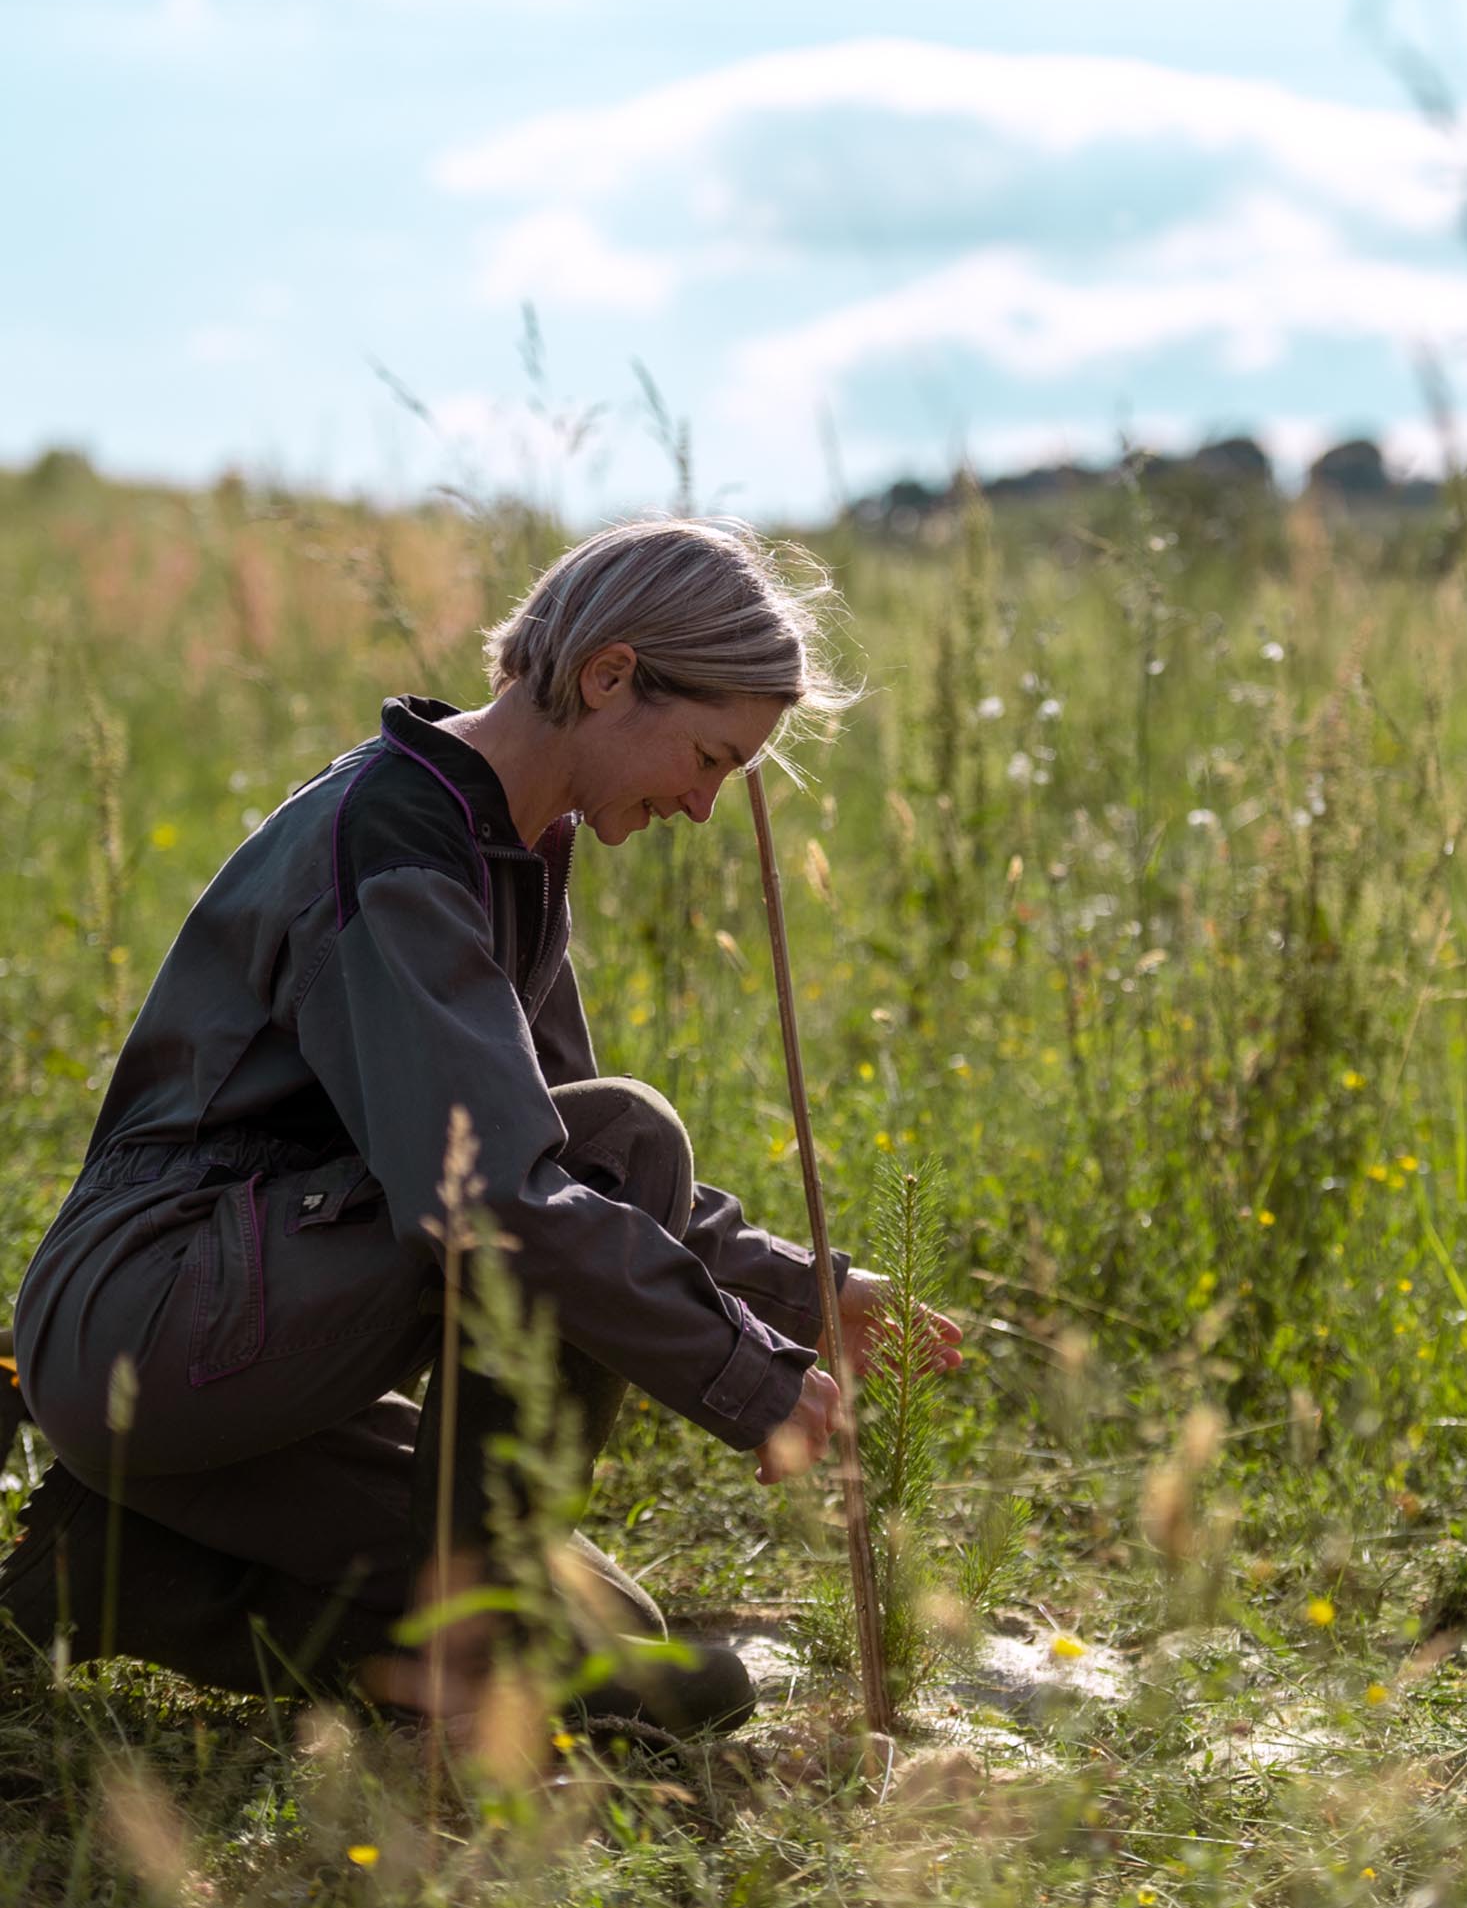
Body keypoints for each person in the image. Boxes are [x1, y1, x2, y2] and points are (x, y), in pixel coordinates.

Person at [0, 516, 961, 1734]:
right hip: (152, 1314)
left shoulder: (500, 846)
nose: (708, 807)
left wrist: (804, 1290)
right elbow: (507, 1198)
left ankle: (110, 1567)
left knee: (620, 1627)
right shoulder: (395, 840)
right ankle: (492, 1650)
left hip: (237, 1324)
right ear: (610, 676)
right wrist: (747, 1375)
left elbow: (563, 1171)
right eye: (712, 757)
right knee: (630, 1141)